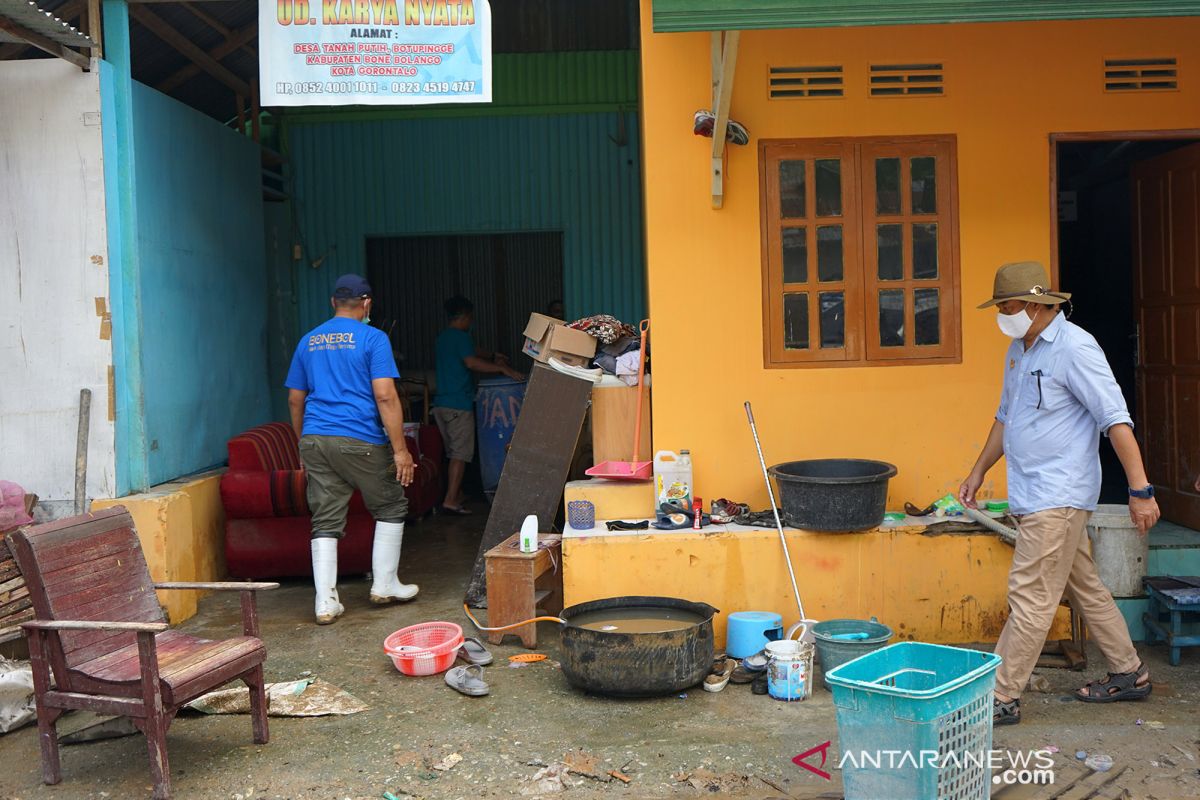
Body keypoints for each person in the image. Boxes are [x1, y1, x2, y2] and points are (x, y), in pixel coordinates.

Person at [959, 261, 1161, 726]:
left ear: (1033, 304)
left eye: (1006, 306)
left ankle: (1001, 696)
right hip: (1032, 493)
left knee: (1030, 595)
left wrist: (1140, 489)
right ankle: (1129, 671)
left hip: (1059, 495)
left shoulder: (1076, 348)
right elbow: (1006, 417)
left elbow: (1115, 420)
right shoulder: (1019, 348)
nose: (1001, 315)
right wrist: (977, 472)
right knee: (1083, 586)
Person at [286, 274, 418, 625]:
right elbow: (385, 395)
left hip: (315, 438)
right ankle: (385, 584)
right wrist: (401, 450)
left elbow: (295, 399)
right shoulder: (374, 339)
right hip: (359, 437)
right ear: (367, 304)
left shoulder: (308, 341)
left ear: (333, 302)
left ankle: (325, 602)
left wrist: (304, 442)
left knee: (325, 518)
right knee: (390, 503)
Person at [432, 296, 524, 515]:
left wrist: (492, 355)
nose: (471, 323)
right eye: (470, 318)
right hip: (458, 405)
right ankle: (451, 500)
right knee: (460, 454)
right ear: (464, 317)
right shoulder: (461, 337)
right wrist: (503, 369)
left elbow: (473, 350)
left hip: (440, 405)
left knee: (452, 452)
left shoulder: (444, 338)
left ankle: (458, 492)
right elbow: (471, 361)